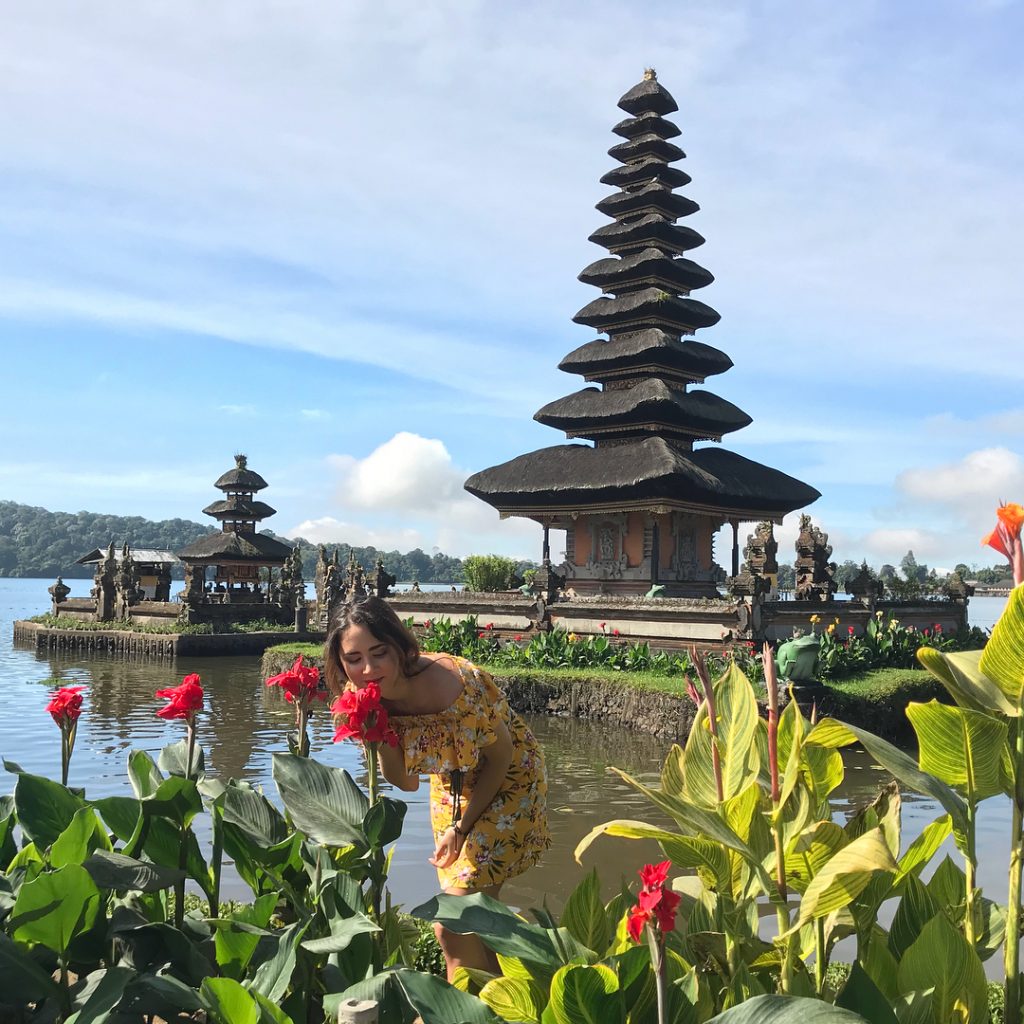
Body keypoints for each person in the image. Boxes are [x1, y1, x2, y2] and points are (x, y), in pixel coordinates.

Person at [323, 596, 549, 980]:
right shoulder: (364, 698)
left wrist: (460, 829)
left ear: (400, 646)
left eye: (379, 653)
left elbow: (502, 755)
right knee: (471, 927)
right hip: (452, 788)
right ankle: (507, 1001)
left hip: (510, 780)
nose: (368, 669)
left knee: (453, 924)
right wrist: (376, 731)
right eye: (354, 659)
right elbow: (407, 782)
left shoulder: (453, 684)